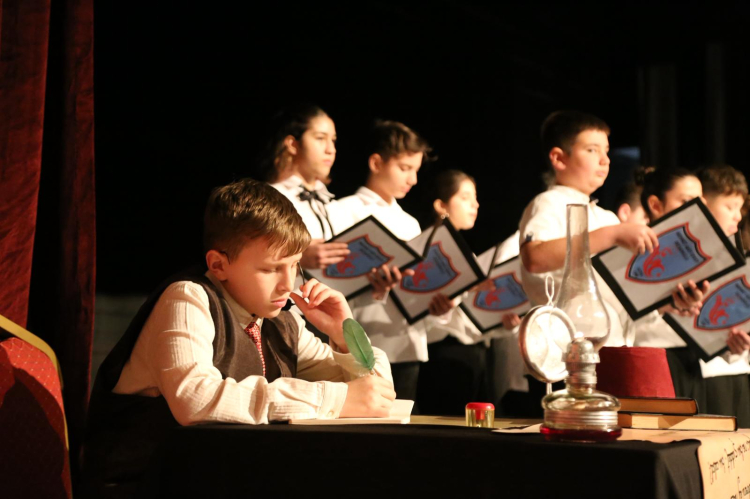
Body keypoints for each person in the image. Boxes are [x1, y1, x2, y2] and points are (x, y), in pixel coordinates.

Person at [82, 179, 395, 498]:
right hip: (143, 486)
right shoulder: (187, 298)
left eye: (295, 265)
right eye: (271, 269)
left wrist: (344, 335)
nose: (288, 284)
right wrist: (333, 399)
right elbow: (195, 399)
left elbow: (379, 395)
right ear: (219, 265)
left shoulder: (282, 318)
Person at [519, 111, 704, 350]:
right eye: (592, 150)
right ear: (559, 158)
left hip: (613, 348)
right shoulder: (549, 203)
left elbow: (621, 294)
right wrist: (612, 234)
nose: (605, 160)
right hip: (565, 350)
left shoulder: (605, 216)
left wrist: (671, 303)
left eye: (606, 151)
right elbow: (535, 258)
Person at [336, 119, 432, 401]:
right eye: (404, 168)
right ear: (376, 163)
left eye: (416, 170)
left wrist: (438, 301)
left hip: (406, 341)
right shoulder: (341, 211)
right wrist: (375, 288)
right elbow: (330, 280)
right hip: (362, 338)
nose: (413, 179)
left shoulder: (410, 223)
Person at [415, 170, 490, 415]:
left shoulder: (464, 251)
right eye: (465, 197)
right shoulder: (427, 246)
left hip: (472, 350)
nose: (475, 204)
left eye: (475, 198)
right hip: (443, 352)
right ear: (441, 206)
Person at [262, 104, 350, 271]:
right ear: (293, 144)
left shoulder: (334, 206)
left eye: (333, 140)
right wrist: (300, 258)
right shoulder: (271, 198)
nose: (331, 149)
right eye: (320, 138)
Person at [695, 164, 750, 425]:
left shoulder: (733, 253)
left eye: (740, 209)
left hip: (734, 368)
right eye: (729, 207)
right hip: (697, 372)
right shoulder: (686, 250)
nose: (737, 216)